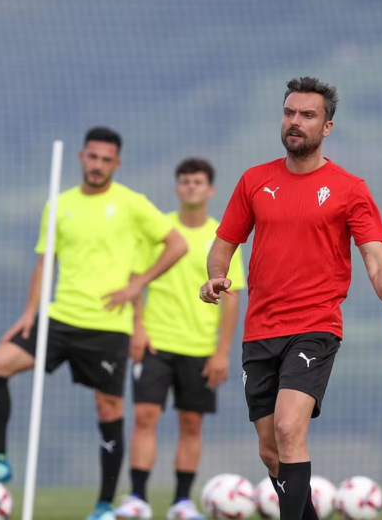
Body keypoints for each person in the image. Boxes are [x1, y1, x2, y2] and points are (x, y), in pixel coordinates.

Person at [199, 78, 382, 520]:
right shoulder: (254, 181)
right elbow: (223, 245)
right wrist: (215, 278)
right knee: (270, 451)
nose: (295, 122)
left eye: (308, 115)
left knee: (287, 428)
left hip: (314, 327)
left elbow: (375, 258)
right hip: (260, 329)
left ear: (328, 127)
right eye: (290, 113)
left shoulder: (349, 188)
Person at [0, 127, 189, 520]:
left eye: (106, 160)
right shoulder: (59, 203)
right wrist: (30, 311)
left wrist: (138, 285)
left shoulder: (132, 204)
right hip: (58, 319)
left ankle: (102, 506)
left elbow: (177, 244)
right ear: (82, 157)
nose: (97, 165)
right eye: (92, 157)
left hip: (107, 327)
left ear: (116, 164)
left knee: (109, 410)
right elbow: (44, 261)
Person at [115, 158, 246, 520]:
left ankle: (182, 503)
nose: (191, 187)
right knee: (145, 416)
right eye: (185, 181)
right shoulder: (159, 229)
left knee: (191, 423)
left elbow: (233, 301)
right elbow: (136, 280)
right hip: (156, 342)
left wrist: (222, 351)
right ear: (177, 187)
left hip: (200, 347)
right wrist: (137, 329)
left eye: (198, 182)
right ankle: (138, 497)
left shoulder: (223, 237)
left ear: (210, 189)